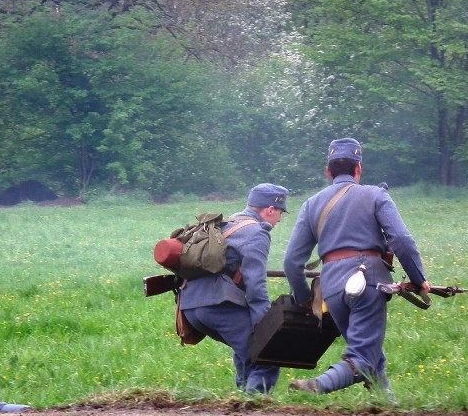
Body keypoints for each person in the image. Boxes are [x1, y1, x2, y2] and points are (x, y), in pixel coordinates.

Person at [282, 137, 430, 397]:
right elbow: (402, 240)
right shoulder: (375, 195)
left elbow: (292, 262)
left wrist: (305, 298)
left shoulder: (311, 205)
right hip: (367, 280)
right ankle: (318, 386)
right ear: (359, 168)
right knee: (363, 355)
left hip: (331, 287)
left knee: (371, 352)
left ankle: (389, 405)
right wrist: (419, 279)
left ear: (328, 171)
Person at [179, 183, 289, 394]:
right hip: (218, 305)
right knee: (266, 354)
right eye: (280, 213)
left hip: (191, 306)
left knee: (246, 350)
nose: (280, 219)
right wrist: (264, 328)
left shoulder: (227, 223)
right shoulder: (257, 233)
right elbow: (255, 287)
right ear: (270, 209)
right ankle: (252, 409)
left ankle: (242, 401)